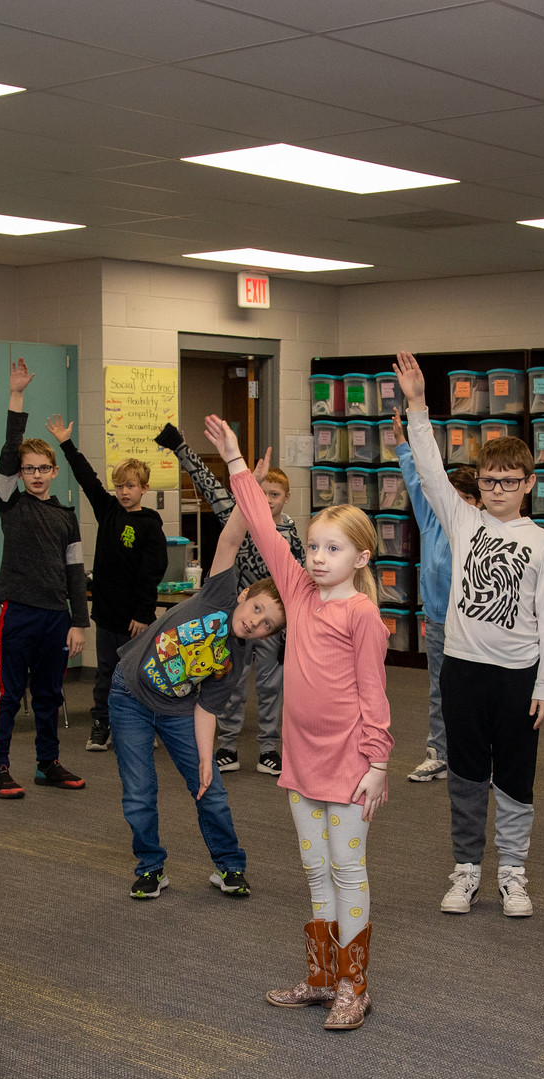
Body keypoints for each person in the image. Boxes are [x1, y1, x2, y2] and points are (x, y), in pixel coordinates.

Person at [207, 415, 391, 1032]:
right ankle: (320, 979)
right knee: (315, 874)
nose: (316, 557)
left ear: (360, 556)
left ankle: (353, 988)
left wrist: (379, 763)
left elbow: (375, 694)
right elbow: (259, 522)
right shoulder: (299, 591)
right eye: (312, 546)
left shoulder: (362, 614)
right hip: (300, 761)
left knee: (348, 870)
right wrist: (234, 460)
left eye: (331, 548)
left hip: (348, 766)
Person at [393, 351, 544, 918]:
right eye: (490, 481)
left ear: (528, 485)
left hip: (518, 677)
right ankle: (466, 869)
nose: (498, 490)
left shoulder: (541, 542)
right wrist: (419, 405)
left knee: (515, 779)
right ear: (480, 483)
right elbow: (431, 472)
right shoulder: (462, 521)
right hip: (463, 670)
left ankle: (512, 872)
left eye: (510, 482)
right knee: (465, 776)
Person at [107, 498, 276, 900]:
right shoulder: (218, 594)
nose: (255, 621)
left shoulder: (233, 661)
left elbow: (207, 707)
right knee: (139, 792)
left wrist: (205, 759)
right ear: (245, 593)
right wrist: (248, 487)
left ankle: (230, 867)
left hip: (178, 710)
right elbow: (232, 539)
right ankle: (150, 868)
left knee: (211, 789)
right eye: (256, 608)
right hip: (128, 694)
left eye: (266, 623)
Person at [168, 423, 304, 776]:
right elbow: (209, 484)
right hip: (239, 617)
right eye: (263, 493)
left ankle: (269, 748)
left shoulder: (292, 536)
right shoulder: (238, 517)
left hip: (272, 625)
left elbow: (303, 584)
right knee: (230, 683)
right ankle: (227, 745)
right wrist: (182, 448)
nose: (269, 499)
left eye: (275, 494)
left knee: (272, 687)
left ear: (286, 498)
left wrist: (293, 631)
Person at [0, 360, 88, 799]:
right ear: (20, 474)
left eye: (43, 468)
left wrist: (78, 621)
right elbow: (10, 450)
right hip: (20, 613)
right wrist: (16, 396)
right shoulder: (11, 504)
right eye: (29, 469)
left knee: (50, 694)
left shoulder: (66, 518)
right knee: (9, 695)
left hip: (55, 618)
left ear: (54, 471)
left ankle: (47, 762)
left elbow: (75, 572)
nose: (36, 475)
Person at [44, 412, 166, 756]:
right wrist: (66, 443)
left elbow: (150, 574)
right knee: (106, 673)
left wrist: (143, 613)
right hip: (108, 614)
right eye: (120, 486)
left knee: (140, 673)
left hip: (136, 619)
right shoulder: (109, 510)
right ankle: (102, 724)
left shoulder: (150, 526)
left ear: (144, 488)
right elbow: (87, 479)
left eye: (131, 486)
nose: (124, 492)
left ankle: (146, 724)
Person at [386, 411, 481, 783]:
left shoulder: (482, 529)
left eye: (463, 499)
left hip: (472, 623)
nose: (453, 506)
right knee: (440, 690)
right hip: (438, 620)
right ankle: (439, 752)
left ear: (477, 501)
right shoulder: (430, 519)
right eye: (450, 499)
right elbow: (416, 479)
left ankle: (477, 759)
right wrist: (402, 445)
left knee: (475, 692)